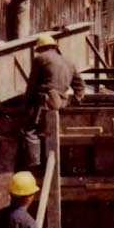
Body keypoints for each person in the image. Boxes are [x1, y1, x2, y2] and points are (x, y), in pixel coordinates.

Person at [20, 32, 84, 175]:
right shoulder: (68, 61)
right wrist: (76, 100)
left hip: (46, 101)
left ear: (41, 48)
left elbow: (32, 85)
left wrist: (26, 104)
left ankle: (34, 166)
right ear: (54, 47)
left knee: (29, 130)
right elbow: (80, 85)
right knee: (51, 131)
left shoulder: (40, 59)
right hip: (62, 102)